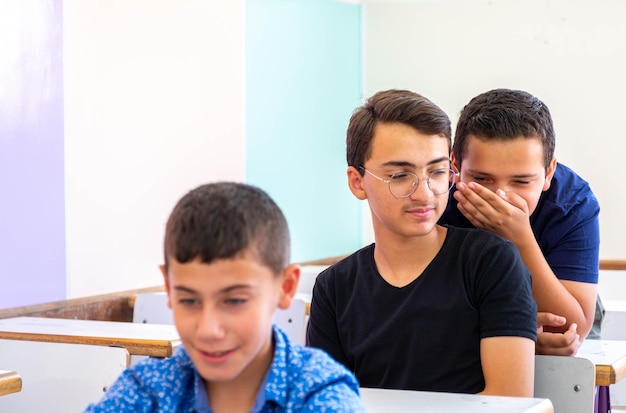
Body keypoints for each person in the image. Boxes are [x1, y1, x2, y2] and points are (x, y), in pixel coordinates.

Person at [307, 89, 537, 396]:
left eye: (437, 172)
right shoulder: (334, 287)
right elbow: (328, 402)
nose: (424, 193)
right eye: (401, 175)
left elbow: (508, 402)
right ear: (357, 182)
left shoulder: (490, 263)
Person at [85, 182, 365, 413]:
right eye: (190, 300)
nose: (209, 330)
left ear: (286, 287)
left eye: (234, 301)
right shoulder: (145, 393)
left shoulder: (321, 397)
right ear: (169, 288)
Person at [439, 88, 601, 356]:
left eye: (522, 181)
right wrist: (514, 333)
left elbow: (570, 328)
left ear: (548, 172)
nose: (500, 196)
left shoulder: (572, 204)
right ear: (454, 166)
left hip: (561, 294)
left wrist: (520, 237)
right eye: (481, 178)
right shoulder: (435, 195)